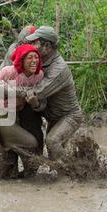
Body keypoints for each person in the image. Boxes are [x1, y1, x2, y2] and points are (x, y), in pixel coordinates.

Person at [0, 44, 45, 178]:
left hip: (16, 114)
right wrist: (17, 92)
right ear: (21, 60)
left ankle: (8, 178)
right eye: (30, 58)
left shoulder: (39, 75)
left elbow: (39, 96)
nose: (34, 60)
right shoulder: (8, 71)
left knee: (11, 156)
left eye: (36, 57)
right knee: (30, 143)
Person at [24, 26, 84, 160]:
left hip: (69, 116)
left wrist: (6, 90)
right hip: (53, 117)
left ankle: (66, 177)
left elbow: (37, 92)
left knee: (52, 142)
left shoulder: (59, 68)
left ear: (46, 46)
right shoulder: (41, 63)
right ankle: (73, 172)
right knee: (54, 154)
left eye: (35, 43)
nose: (32, 46)